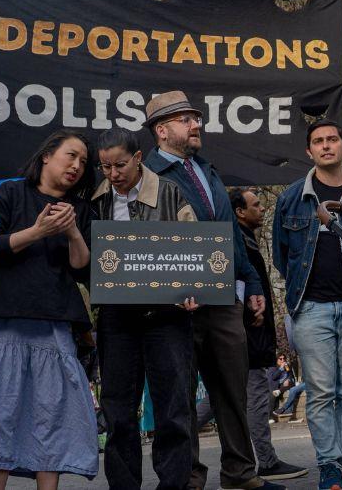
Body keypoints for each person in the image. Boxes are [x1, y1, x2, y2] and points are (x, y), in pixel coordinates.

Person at [140, 91, 279, 490]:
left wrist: (251, 282)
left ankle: (240, 473)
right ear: (162, 130)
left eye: (195, 118)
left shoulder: (206, 170)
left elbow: (232, 231)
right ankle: (186, 477)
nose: (196, 125)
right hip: (176, 304)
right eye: (186, 120)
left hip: (221, 299)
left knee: (232, 390)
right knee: (179, 397)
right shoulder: (146, 173)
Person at [0, 130, 98, 488]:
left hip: (55, 324)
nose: (76, 166)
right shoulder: (8, 192)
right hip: (2, 321)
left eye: (83, 162)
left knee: (51, 419)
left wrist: (73, 232)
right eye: (70, 156)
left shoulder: (82, 209)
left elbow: (81, 269)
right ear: (46, 155)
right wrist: (37, 231)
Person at [272, 119, 342, 490]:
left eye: (332, 139)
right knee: (321, 393)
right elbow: (280, 255)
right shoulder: (291, 197)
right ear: (309, 151)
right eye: (318, 141)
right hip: (311, 307)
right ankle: (330, 466)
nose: (326, 146)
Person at [91, 128, 200, 490]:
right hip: (116, 319)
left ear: (138, 158)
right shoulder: (96, 200)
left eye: (120, 165)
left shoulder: (171, 193)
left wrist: (192, 290)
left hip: (167, 318)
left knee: (173, 410)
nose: (113, 174)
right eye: (105, 167)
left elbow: (195, 252)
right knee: (118, 411)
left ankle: (174, 485)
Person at [231, 188, 308, 481]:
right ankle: (266, 460)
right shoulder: (239, 242)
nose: (262, 209)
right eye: (256, 205)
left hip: (249, 333)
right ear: (240, 211)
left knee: (221, 398)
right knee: (258, 395)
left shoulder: (245, 239)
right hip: (249, 335)